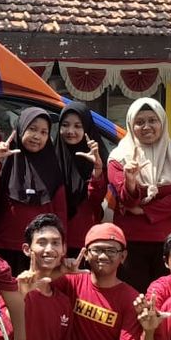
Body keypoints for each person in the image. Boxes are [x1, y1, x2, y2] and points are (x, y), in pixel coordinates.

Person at [107, 98, 171, 291]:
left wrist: (146, 211)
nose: (146, 126)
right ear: (131, 125)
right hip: (130, 242)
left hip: (168, 243)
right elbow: (126, 200)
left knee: (166, 297)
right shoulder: (119, 156)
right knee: (133, 296)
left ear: (162, 122)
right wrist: (130, 180)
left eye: (152, 120)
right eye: (139, 122)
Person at [0, 107, 69, 274]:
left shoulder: (53, 169)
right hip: (3, 249)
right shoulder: (6, 160)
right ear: (20, 129)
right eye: (32, 129)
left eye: (43, 132)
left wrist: (60, 250)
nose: (37, 136)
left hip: (41, 252)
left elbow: (60, 215)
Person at [53, 102, 107, 258]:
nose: (71, 131)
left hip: (84, 240)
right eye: (65, 125)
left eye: (78, 126)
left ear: (87, 128)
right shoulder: (50, 157)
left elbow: (96, 200)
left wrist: (97, 169)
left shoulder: (97, 159)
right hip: (53, 242)